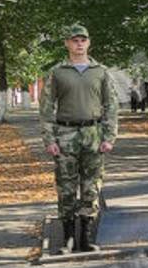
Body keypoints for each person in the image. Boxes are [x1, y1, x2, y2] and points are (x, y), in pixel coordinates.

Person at [38, 24, 119, 254]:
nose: (79, 44)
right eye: (74, 40)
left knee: (91, 187)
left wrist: (109, 136)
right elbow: (45, 109)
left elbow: (111, 106)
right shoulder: (57, 72)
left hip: (93, 135)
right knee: (66, 188)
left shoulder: (101, 72)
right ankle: (68, 240)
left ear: (89, 43)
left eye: (83, 40)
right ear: (67, 43)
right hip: (65, 135)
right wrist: (49, 139)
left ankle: (85, 238)